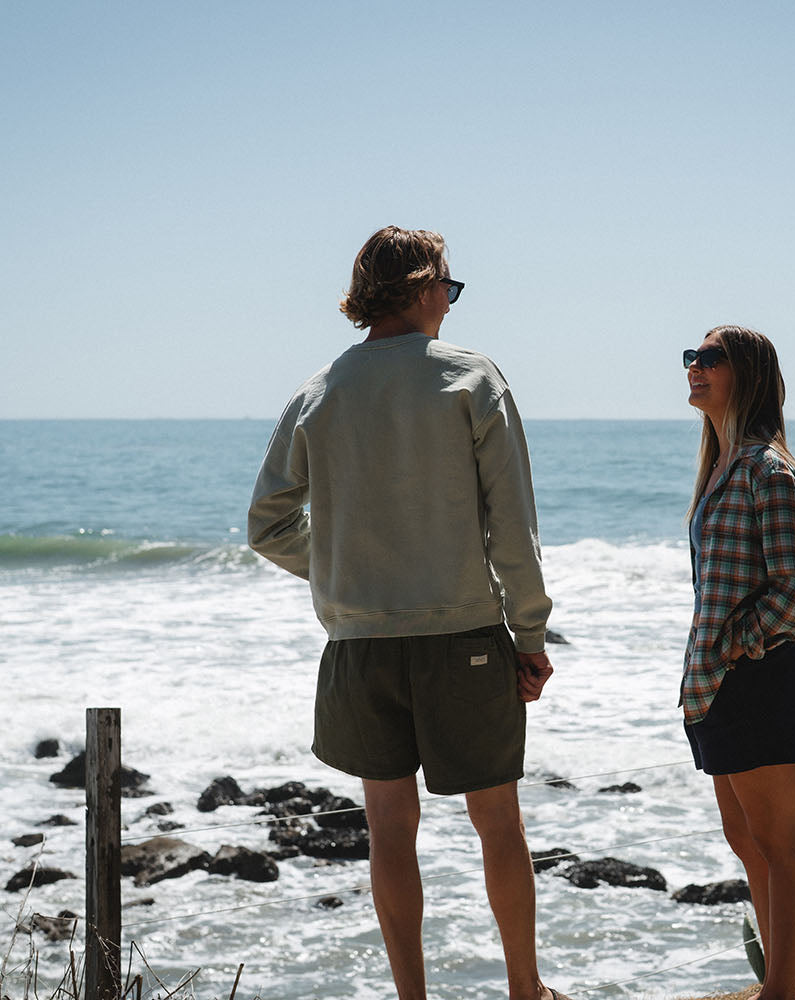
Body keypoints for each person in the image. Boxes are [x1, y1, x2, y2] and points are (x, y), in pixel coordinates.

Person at [248, 226, 566, 1000]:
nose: (449, 305)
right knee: (498, 824)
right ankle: (525, 990)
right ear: (423, 288)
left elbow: (268, 525)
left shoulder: (319, 392)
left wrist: (344, 568)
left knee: (390, 831)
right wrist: (529, 633)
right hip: (463, 638)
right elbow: (512, 526)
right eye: (447, 289)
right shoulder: (470, 377)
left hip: (359, 648)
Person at [681, 325, 795, 1000]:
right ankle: (778, 983)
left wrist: (743, 642)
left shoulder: (766, 468)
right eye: (692, 357)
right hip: (720, 682)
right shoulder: (721, 466)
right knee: (746, 839)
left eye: (711, 359)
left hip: (759, 677)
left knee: (778, 842)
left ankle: (781, 991)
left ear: (749, 375)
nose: (695, 367)